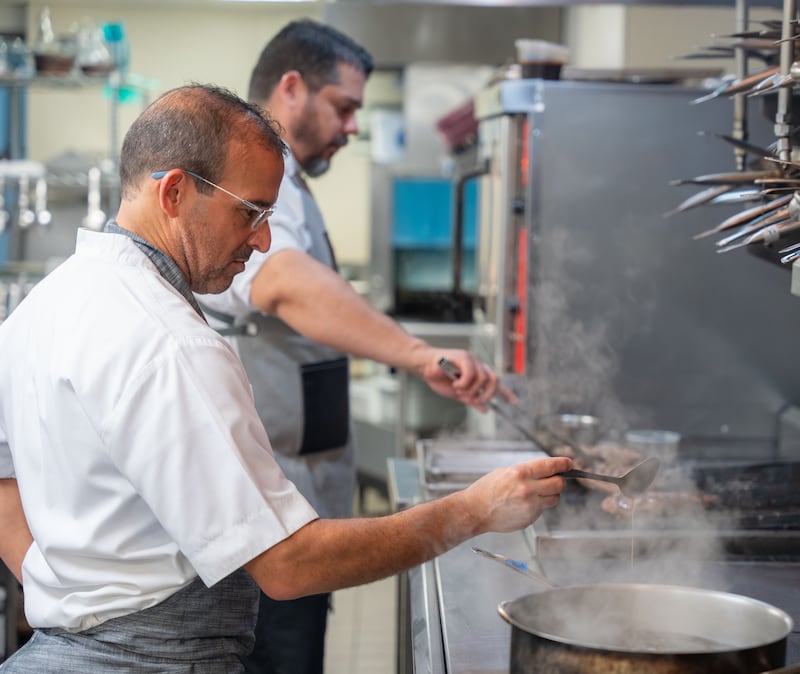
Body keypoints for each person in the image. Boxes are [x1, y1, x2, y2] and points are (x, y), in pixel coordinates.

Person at [0, 83, 571, 672]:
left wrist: (67, 597)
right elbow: (289, 566)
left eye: (269, 213)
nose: (264, 238)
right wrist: (475, 509)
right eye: (249, 212)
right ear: (174, 192)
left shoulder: (41, 307)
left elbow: (2, 477)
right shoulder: (175, 345)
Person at [196, 20, 516, 674]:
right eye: (344, 107)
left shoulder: (287, 185)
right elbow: (284, 283)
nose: (351, 127)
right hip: (265, 521)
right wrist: (419, 354)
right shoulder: (253, 184)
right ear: (292, 88)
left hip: (298, 505)